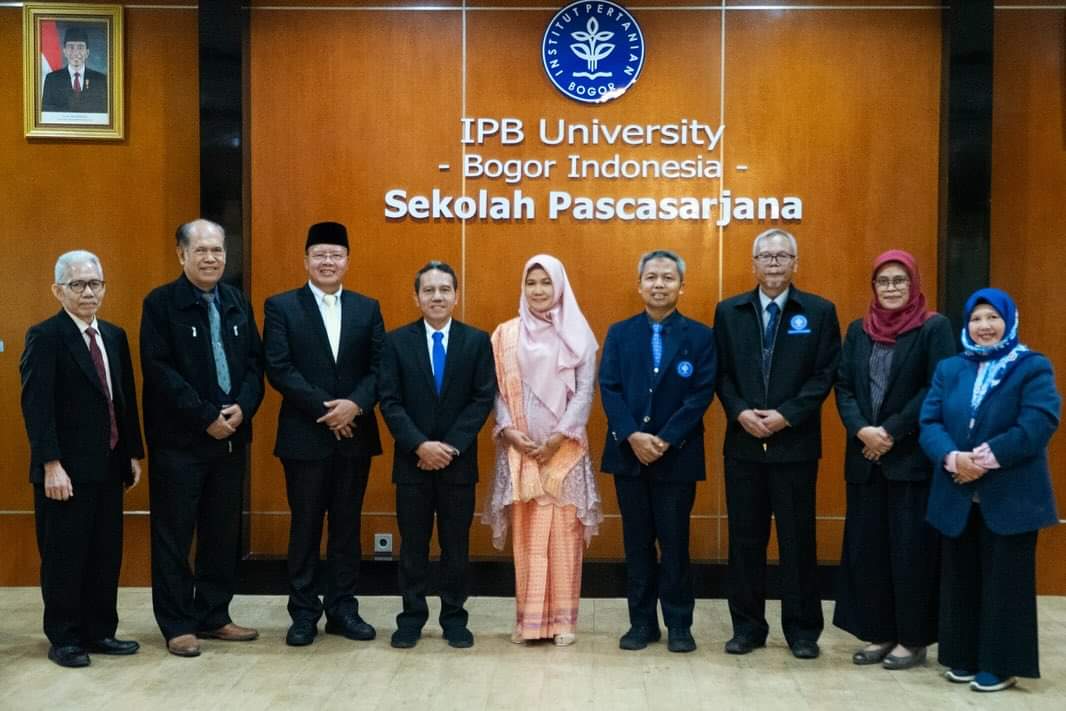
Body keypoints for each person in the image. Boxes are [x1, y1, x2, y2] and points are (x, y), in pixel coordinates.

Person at [920, 288, 1060, 693]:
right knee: (961, 579)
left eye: (993, 318)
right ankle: (962, 655)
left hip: (1011, 494)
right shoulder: (950, 368)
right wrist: (952, 458)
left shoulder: (1032, 366)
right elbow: (930, 421)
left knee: (1005, 584)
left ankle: (1001, 665)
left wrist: (983, 460)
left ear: (1009, 321)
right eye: (976, 319)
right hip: (956, 491)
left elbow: (1039, 422)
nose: (984, 326)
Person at [714, 228, 840, 659]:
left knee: (797, 541)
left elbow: (825, 374)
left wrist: (787, 415)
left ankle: (803, 631)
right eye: (766, 256)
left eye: (782, 256)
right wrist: (739, 412)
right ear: (753, 264)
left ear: (795, 264)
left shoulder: (819, 311)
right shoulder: (729, 312)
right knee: (744, 541)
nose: (773, 263)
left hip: (795, 446)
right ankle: (747, 628)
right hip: (743, 444)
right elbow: (721, 373)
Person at [140, 219, 264, 657]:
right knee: (174, 536)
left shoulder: (236, 301)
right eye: (201, 251)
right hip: (180, 444)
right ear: (181, 255)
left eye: (218, 250)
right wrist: (205, 416)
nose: (211, 258)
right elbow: (159, 371)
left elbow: (255, 364)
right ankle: (177, 623)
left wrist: (243, 407)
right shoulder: (161, 304)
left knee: (221, 533)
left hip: (230, 439)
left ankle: (213, 614)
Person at [19, 250, 144, 668]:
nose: (88, 292)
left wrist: (133, 452)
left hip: (109, 465)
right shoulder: (46, 336)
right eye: (78, 284)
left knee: (105, 553)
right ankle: (65, 638)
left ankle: (100, 631)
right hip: (65, 471)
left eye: (95, 284)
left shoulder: (114, 335)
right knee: (64, 556)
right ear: (58, 291)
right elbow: (37, 406)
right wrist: (50, 464)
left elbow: (123, 399)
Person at [263, 221, 385, 647]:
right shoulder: (281, 306)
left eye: (336, 254)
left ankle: (342, 609)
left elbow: (380, 368)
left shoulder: (367, 308)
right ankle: (302, 613)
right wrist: (328, 411)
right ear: (306, 260)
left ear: (347, 261)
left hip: (355, 435)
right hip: (304, 436)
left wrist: (355, 405)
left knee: (347, 527)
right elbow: (279, 367)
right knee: (305, 526)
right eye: (320, 255)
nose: (328, 261)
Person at [832, 250, 955, 670]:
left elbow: (936, 387)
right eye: (883, 281)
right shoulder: (858, 329)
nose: (891, 288)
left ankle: (912, 639)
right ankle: (880, 632)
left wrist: (890, 432)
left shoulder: (933, 327)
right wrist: (862, 430)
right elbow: (844, 387)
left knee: (910, 552)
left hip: (910, 461)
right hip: (865, 459)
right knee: (870, 552)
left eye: (899, 280)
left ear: (914, 283)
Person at [599, 250, 715, 653]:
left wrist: (665, 439)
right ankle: (642, 623)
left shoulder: (700, 336)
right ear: (639, 285)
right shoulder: (620, 333)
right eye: (651, 277)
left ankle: (680, 625)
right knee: (637, 545)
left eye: (668, 278)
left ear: (682, 286)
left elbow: (701, 393)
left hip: (677, 457)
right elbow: (609, 387)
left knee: (675, 544)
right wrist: (632, 435)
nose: (659, 284)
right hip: (628, 456)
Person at [486, 254, 603, 646]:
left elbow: (584, 392)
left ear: (560, 286)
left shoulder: (578, 334)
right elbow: (497, 392)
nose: (538, 290)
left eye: (546, 282)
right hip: (521, 452)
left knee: (564, 537)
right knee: (528, 538)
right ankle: (530, 622)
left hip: (565, 453)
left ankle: (564, 623)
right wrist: (508, 430)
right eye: (531, 282)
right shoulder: (505, 335)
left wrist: (559, 437)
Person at [379, 261, 496, 649]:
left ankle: (454, 618)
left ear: (456, 295)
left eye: (444, 289)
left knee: (455, 547)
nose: (437, 296)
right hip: (412, 463)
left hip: (457, 464)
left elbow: (482, 399)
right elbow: (390, 401)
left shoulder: (476, 341)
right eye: (428, 290)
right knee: (413, 547)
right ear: (416, 297)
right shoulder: (396, 342)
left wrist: (450, 447)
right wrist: (420, 445)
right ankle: (411, 618)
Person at [41, 26, 108, 113]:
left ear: (87, 53)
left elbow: (104, 111)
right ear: (64, 51)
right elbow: (46, 112)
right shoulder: (52, 79)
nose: (75, 53)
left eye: (80, 47)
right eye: (71, 47)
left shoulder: (100, 80)